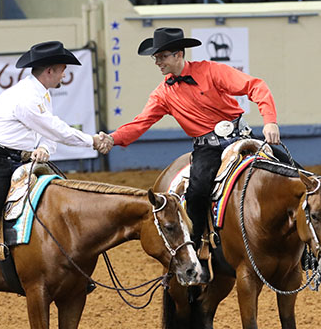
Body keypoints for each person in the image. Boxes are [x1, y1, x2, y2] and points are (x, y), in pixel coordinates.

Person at [0, 41, 108, 297]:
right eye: (62, 70)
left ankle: (68, 268)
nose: (64, 75)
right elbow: (55, 128)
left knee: (56, 194)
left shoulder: (41, 94)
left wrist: (45, 151)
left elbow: (48, 133)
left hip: (21, 159)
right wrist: (92, 141)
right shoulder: (27, 97)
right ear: (50, 70)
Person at [97, 27, 280, 254]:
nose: (157, 62)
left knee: (288, 169)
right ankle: (195, 248)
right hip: (207, 149)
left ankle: (307, 245)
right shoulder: (162, 94)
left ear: (179, 54)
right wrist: (112, 138)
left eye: (162, 56)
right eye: (156, 58)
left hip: (241, 136)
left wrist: (270, 120)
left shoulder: (211, 71)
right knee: (197, 192)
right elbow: (140, 123)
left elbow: (255, 86)